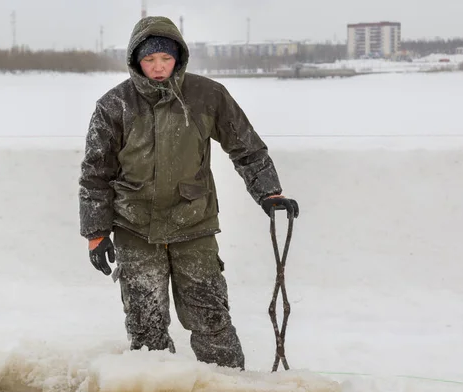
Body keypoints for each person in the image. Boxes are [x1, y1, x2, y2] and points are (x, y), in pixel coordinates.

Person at [78, 16, 299, 370]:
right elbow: (95, 174)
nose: (158, 67)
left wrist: (269, 193)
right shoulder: (114, 105)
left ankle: (229, 386)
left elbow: (247, 149)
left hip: (193, 222)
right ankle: (157, 388)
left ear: (178, 57)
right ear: (136, 61)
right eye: (150, 60)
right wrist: (96, 233)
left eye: (165, 59)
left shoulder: (207, 96)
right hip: (135, 228)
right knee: (145, 325)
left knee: (211, 317)